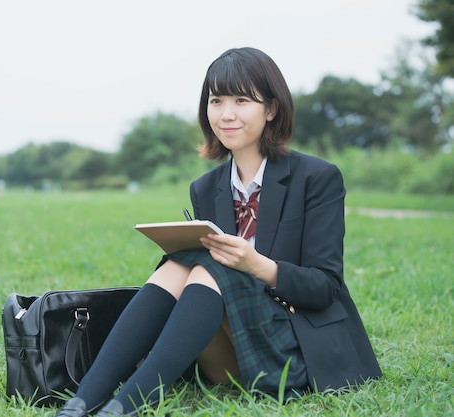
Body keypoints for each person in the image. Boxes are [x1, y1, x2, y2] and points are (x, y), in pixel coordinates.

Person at [55, 47, 382, 417]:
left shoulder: (317, 178)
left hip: (294, 349)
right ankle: (82, 401)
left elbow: (326, 288)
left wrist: (258, 265)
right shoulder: (205, 188)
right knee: (180, 264)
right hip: (232, 348)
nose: (226, 114)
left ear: (271, 109)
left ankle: (123, 407)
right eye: (216, 100)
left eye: (242, 100)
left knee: (207, 266)